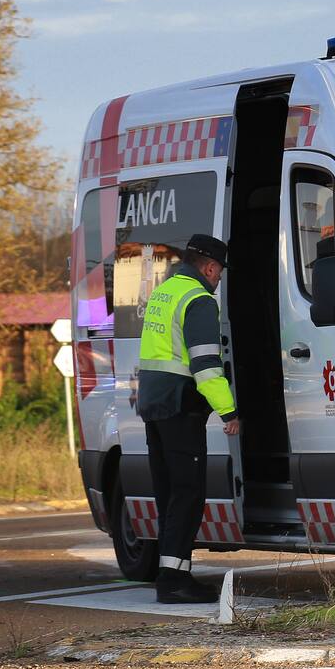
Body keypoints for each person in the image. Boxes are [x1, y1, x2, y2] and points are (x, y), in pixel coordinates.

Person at [136, 234, 240, 604]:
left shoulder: (165, 293)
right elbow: (207, 366)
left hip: (154, 404)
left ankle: (173, 575)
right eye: (221, 274)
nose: (219, 280)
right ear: (210, 267)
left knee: (169, 494)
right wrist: (229, 410)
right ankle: (174, 582)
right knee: (187, 494)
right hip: (180, 407)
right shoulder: (198, 300)